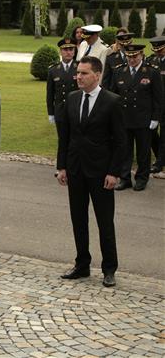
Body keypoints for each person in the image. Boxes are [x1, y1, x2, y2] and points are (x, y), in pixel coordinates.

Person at [56, 55, 126, 288]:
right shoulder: (72, 98)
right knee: (78, 219)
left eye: (84, 73)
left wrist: (114, 172)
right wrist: (62, 167)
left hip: (101, 172)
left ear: (97, 75)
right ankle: (82, 264)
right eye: (78, 72)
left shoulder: (112, 101)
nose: (79, 77)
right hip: (75, 169)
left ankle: (109, 269)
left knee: (105, 222)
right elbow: (65, 136)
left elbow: (120, 142)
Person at [111, 44, 164, 191]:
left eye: (135, 56)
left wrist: (155, 118)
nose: (132, 59)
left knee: (143, 152)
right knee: (125, 151)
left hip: (144, 119)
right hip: (125, 119)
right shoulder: (119, 71)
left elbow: (158, 98)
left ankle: (141, 178)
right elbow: (113, 96)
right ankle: (125, 178)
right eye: (129, 56)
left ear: (141, 55)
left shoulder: (151, 72)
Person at [47, 38, 78, 139]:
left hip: (76, 110)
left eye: (71, 49)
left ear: (74, 51)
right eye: (65, 50)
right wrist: (51, 113)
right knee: (62, 140)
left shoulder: (80, 67)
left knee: (75, 140)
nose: (68, 52)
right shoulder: (53, 70)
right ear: (60, 51)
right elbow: (50, 94)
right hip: (60, 111)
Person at [146, 35, 165, 174]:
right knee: (151, 133)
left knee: (164, 134)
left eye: (161, 50)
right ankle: (160, 157)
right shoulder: (151, 60)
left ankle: (159, 163)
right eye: (156, 50)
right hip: (153, 104)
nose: (158, 53)